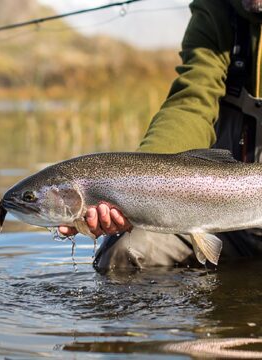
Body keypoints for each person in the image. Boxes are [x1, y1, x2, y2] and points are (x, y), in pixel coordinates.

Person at [60, 0, 262, 272]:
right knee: (122, 253)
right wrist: (136, 187)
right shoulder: (218, 8)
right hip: (212, 206)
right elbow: (192, 102)